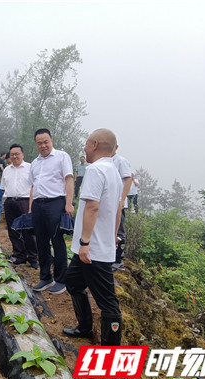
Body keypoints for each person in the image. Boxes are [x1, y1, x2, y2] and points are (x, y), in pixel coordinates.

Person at [62, 128, 123, 346]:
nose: (85, 147)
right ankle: (85, 327)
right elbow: (117, 208)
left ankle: (110, 354)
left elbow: (92, 207)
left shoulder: (96, 170)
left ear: (95, 144)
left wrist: (85, 243)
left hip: (92, 249)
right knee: (73, 283)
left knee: (108, 303)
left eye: (87, 143)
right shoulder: (113, 172)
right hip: (90, 246)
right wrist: (114, 234)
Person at [29, 128, 74, 295]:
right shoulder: (35, 163)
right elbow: (33, 186)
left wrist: (69, 203)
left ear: (51, 141)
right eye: (39, 143)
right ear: (36, 144)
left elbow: (69, 179)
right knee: (40, 241)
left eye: (45, 142)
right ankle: (46, 277)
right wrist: (30, 207)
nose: (43, 145)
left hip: (56, 203)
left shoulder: (62, 156)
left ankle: (61, 280)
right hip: (38, 206)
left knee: (57, 241)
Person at [0, 144, 38, 269]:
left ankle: (33, 257)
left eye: (17, 154)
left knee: (28, 230)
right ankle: (19, 256)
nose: (15, 156)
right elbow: (3, 188)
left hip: (25, 201)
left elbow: (34, 187)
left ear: (22, 154)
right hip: (10, 202)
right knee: (13, 231)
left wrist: (31, 206)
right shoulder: (6, 170)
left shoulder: (30, 167)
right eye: (12, 154)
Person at [112, 145, 133, 270]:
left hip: (119, 203)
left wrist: (122, 199)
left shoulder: (121, 161)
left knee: (119, 232)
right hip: (109, 203)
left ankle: (119, 259)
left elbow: (128, 179)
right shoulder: (106, 160)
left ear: (116, 147)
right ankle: (110, 257)